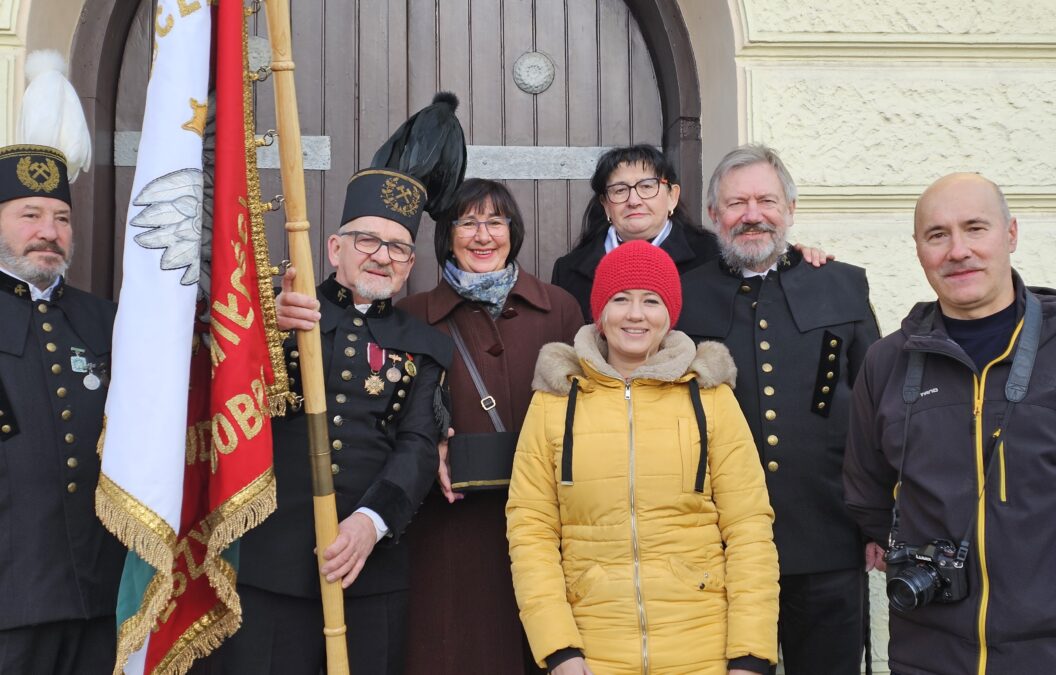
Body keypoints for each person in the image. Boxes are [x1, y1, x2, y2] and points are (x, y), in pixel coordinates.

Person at [219, 97, 461, 674]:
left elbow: (419, 445)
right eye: (366, 241)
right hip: (268, 567)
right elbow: (225, 399)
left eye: (398, 248)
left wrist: (370, 522)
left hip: (370, 570)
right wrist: (259, 335)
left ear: (410, 265)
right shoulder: (281, 315)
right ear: (335, 248)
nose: (381, 257)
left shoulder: (426, 344)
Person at [843, 173, 1056, 675]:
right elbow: (866, 494)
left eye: (975, 228)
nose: (958, 250)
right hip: (927, 654)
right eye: (937, 235)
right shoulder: (886, 363)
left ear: (1010, 234)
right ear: (918, 248)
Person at [508, 240, 780, 674]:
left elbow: (749, 528)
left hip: (703, 650)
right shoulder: (556, 401)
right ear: (600, 312)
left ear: (669, 314)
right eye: (620, 300)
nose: (635, 314)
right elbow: (531, 531)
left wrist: (750, 654)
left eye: (651, 301)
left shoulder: (710, 398)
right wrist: (559, 650)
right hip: (593, 653)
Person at [678, 145, 880, 675]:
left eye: (766, 200)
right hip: (717, 547)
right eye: (737, 202)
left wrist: (877, 520)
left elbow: (873, 412)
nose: (752, 214)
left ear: (790, 209)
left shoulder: (842, 282)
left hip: (829, 536)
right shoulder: (680, 295)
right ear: (713, 215)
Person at [397, 178, 582, 675]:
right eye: (468, 222)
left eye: (495, 222)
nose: (483, 235)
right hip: (448, 524)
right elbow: (394, 411)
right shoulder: (411, 316)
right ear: (447, 235)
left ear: (512, 230)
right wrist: (425, 443)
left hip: (544, 523)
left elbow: (584, 409)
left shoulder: (560, 309)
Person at [0, 54, 124, 675]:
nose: (48, 232)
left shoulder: (104, 321)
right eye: (30, 215)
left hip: (96, 596)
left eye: (62, 218)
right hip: (9, 601)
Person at [550, 144, 720, 322]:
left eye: (647, 186)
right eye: (620, 190)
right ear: (606, 204)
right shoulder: (569, 271)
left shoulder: (711, 256)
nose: (634, 201)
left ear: (672, 196)